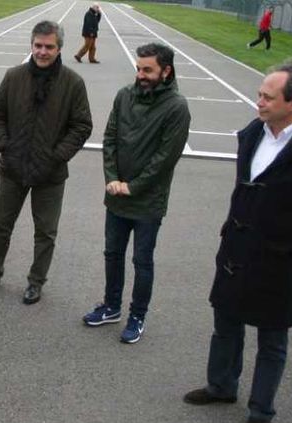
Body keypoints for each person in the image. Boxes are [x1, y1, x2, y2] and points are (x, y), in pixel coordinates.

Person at [183, 60, 292, 423]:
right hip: (237, 252)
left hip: (281, 261)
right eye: (259, 94)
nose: (258, 102)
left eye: (267, 96)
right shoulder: (253, 134)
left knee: (271, 339)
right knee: (225, 323)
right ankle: (221, 386)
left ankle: (261, 409)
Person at [0, 20, 93, 305]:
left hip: (50, 173)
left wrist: (56, 156)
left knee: (46, 233)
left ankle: (36, 281)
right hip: (12, 168)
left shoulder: (73, 83)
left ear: (59, 48)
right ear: (32, 45)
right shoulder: (14, 76)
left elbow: (81, 126)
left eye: (49, 47)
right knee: (1, 226)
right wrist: (4, 145)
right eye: (38, 46)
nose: (42, 52)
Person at [82, 43, 190, 344]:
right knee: (112, 254)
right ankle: (112, 306)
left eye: (148, 70)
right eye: (139, 68)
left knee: (142, 261)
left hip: (147, 202)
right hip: (116, 194)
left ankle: (137, 315)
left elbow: (165, 158)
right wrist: (113, 178)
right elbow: (110, 138)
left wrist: (134, 186)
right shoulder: (124, 96)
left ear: (166, 71)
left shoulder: (177, 107)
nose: (140, 74)